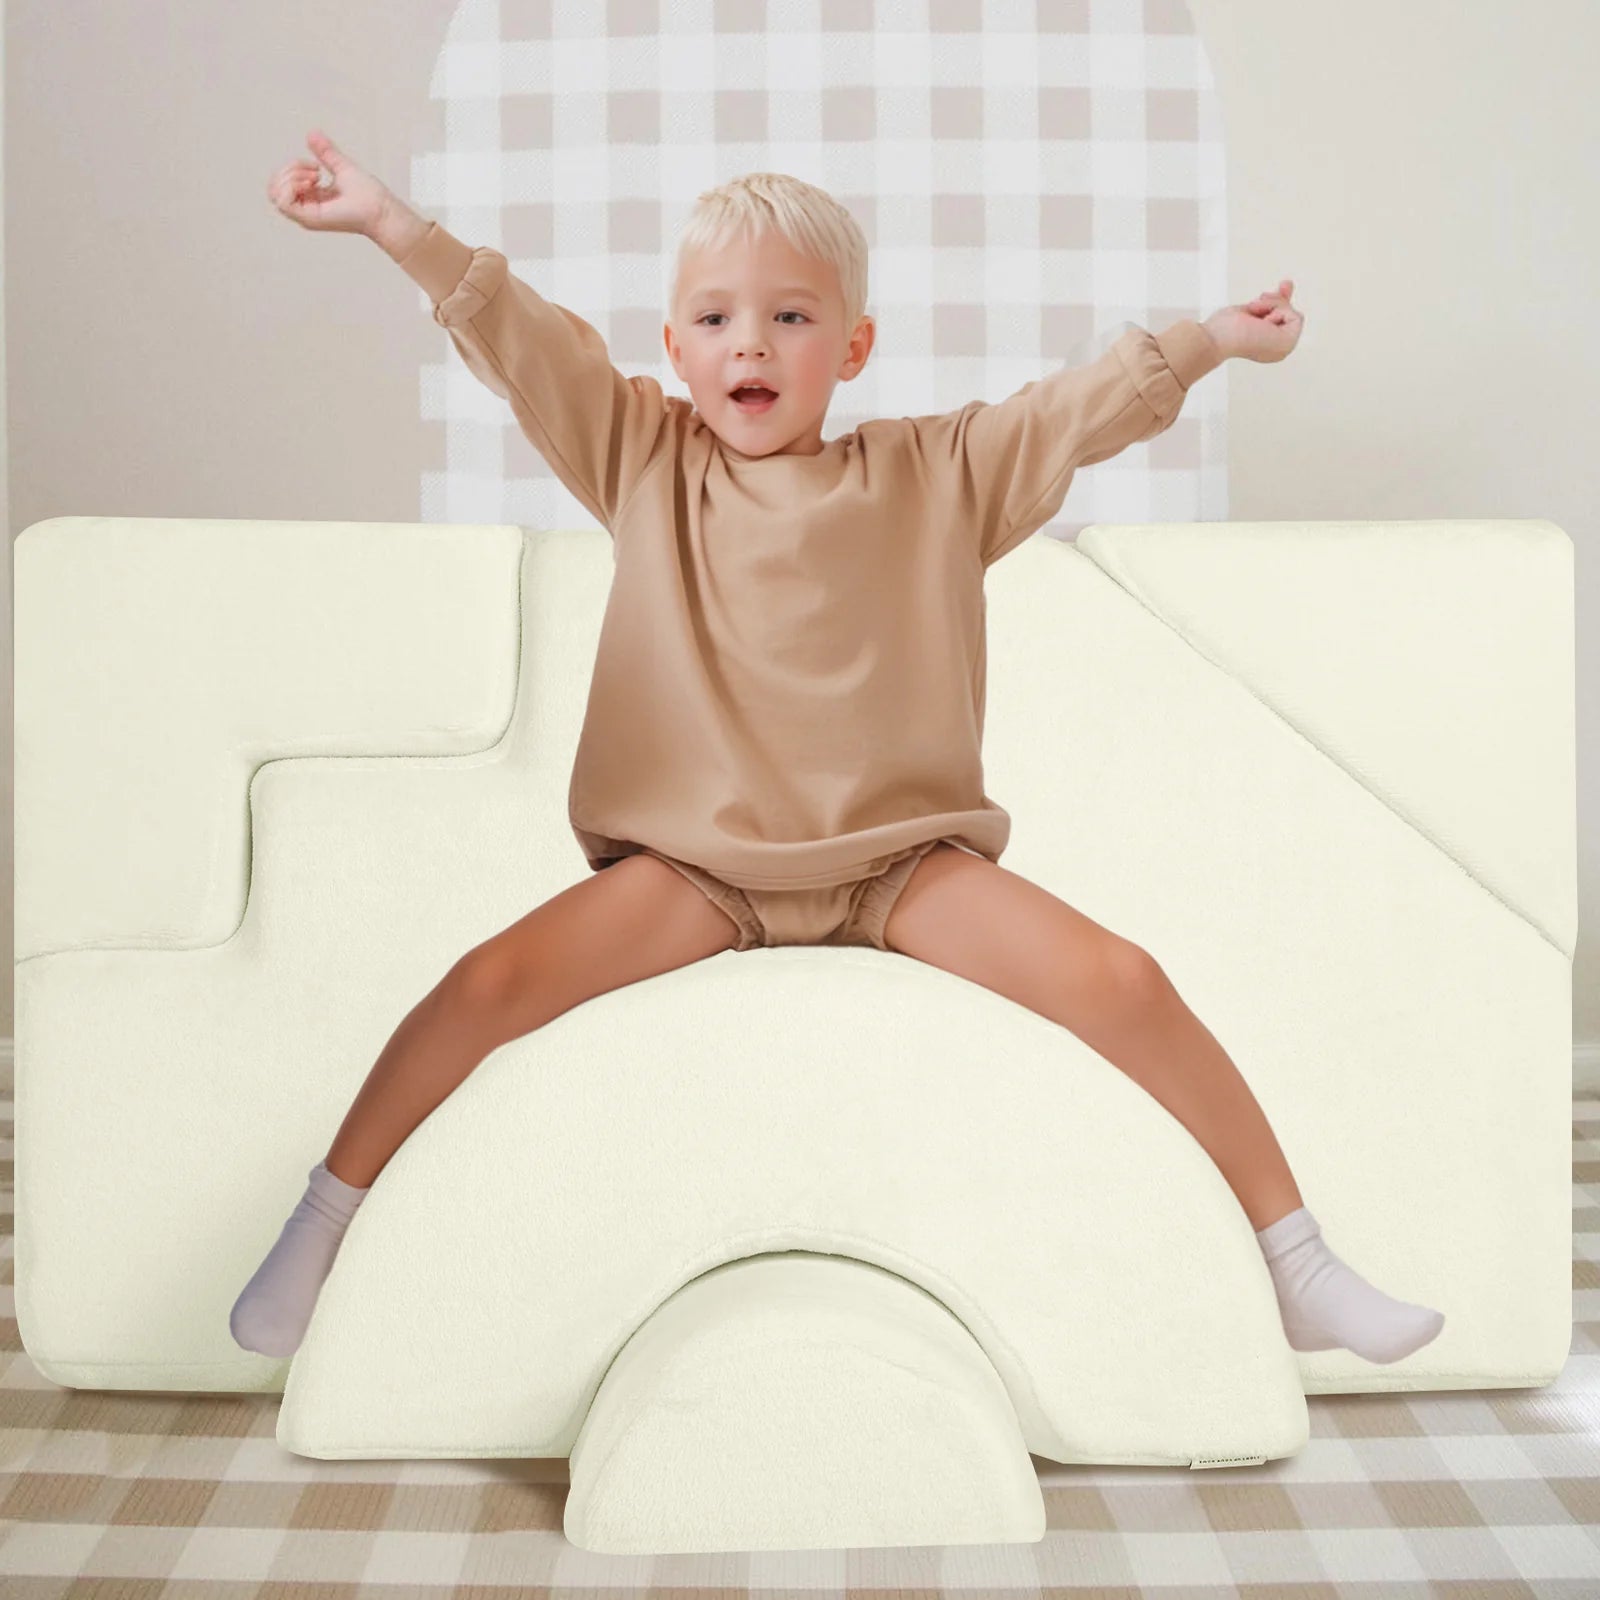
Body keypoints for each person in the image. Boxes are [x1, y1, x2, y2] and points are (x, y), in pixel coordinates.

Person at [231, 129, 1442, 1368]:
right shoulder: (642, 457)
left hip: (897, 867)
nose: (748, 341)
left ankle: (1297, 1261)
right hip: (697, 871)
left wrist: (1213, 337)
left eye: (789, 315)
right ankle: (319, 1228)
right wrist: (390, 224)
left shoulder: (938, 472)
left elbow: (1075, 412)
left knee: (1122, 979)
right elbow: (525, 344)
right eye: (714, 316)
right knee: (486, 983)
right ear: (676, 349)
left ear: (852, 345)